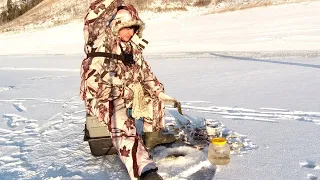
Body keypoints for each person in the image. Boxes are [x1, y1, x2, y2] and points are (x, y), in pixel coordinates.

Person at [80, 0, 178, 179]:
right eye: (125, 27)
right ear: (116, 25)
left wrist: (159, 92)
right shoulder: (99, 39)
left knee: (152, 95)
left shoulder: (133, 48)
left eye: (133, 28)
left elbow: (146, 74)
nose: (130, 32)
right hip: (102, 95)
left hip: (126, 91)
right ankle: (144, 169)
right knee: (122, 121)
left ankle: (153, 135)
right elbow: (93, 16)